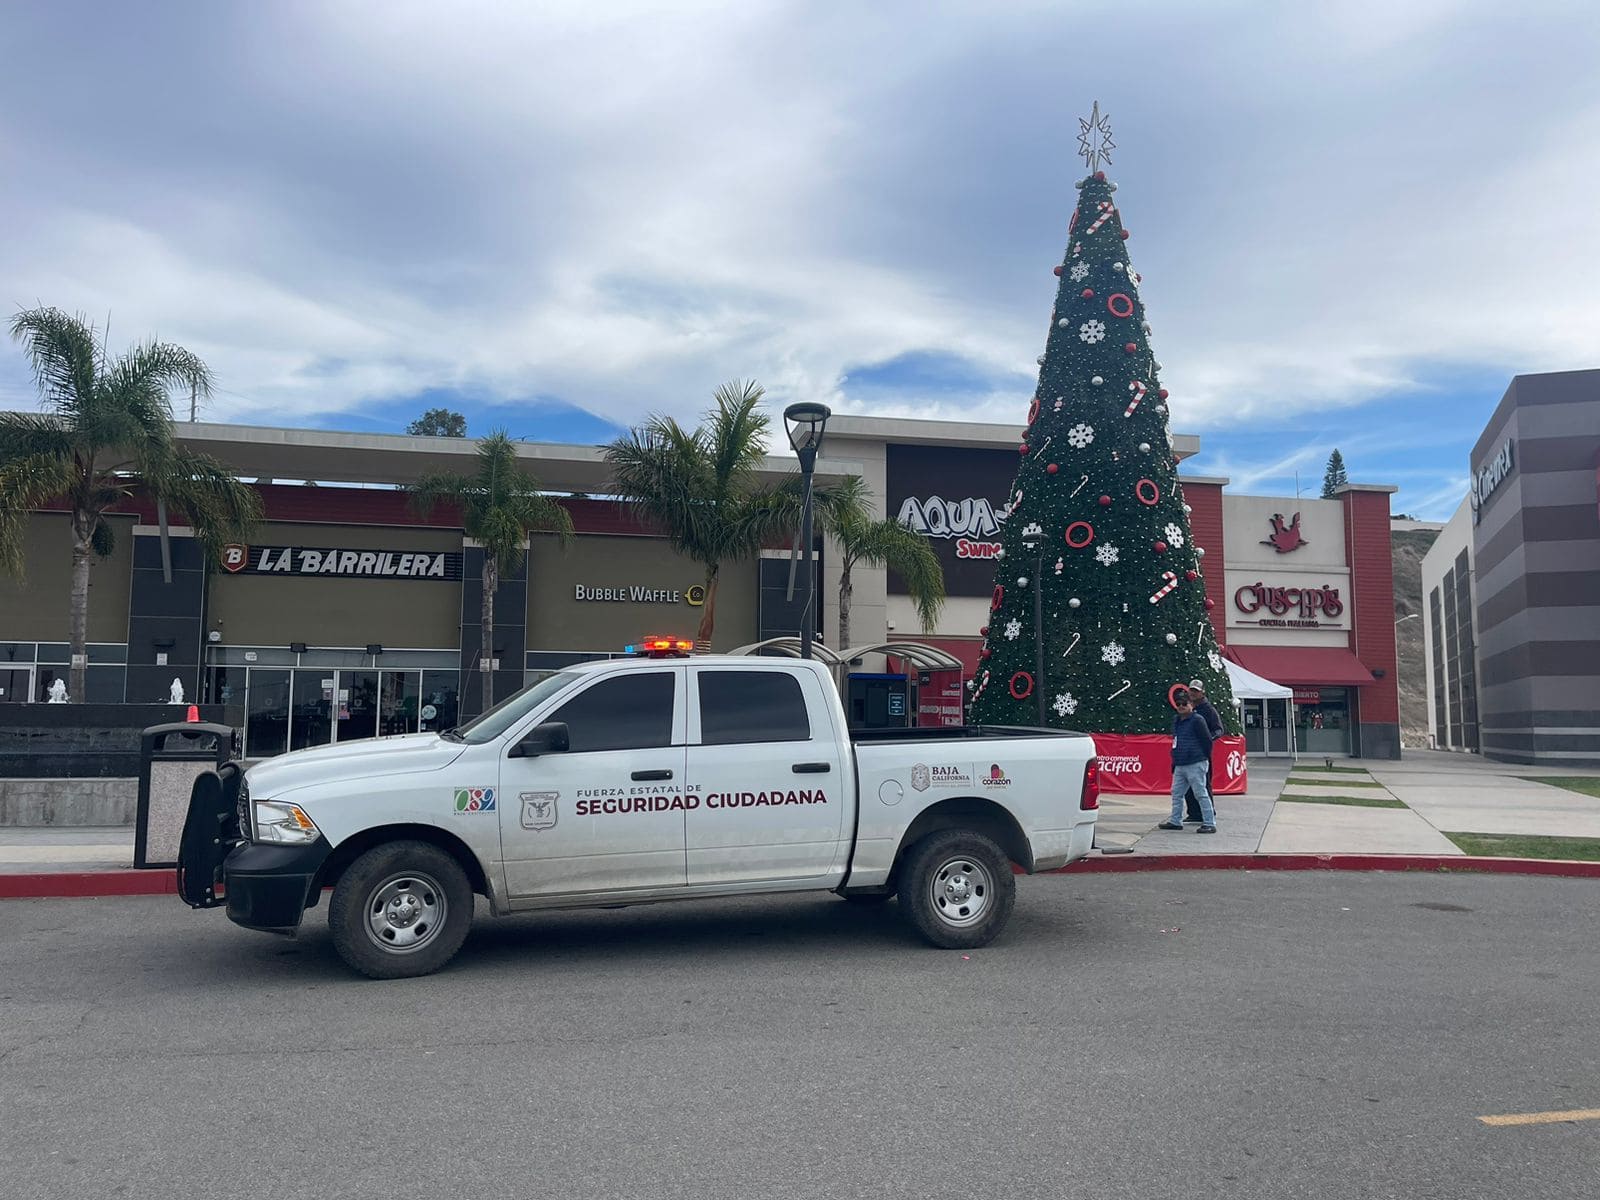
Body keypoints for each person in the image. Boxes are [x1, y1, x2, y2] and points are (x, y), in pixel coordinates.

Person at [1158, 689, 1216, 833]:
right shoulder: (1177, 721)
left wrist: (1203, 757)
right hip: (1180, 762)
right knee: (1176, 793)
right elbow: (1176, 741)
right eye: (1178, 703)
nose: (1181, 706)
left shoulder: (1198, 720)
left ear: (1191, 705)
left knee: (1200, 792)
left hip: (1196, 762)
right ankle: (1175, 820)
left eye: (1185, 703)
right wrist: (1175, 761)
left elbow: (1207, 740)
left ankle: (1209, 822)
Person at [1182, 678, 1223, 822]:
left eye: (1196, 691)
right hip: (1187, 752)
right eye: (1191, 690)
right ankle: (1193, 813)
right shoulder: (1186, 707)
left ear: (1202, 693)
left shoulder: (1209, 710)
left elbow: (1218, 730)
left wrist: (1206, 739)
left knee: (1203, 784)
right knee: (1187, 784)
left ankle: (1208, 813)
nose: (1193, 693)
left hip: (1201, 753)